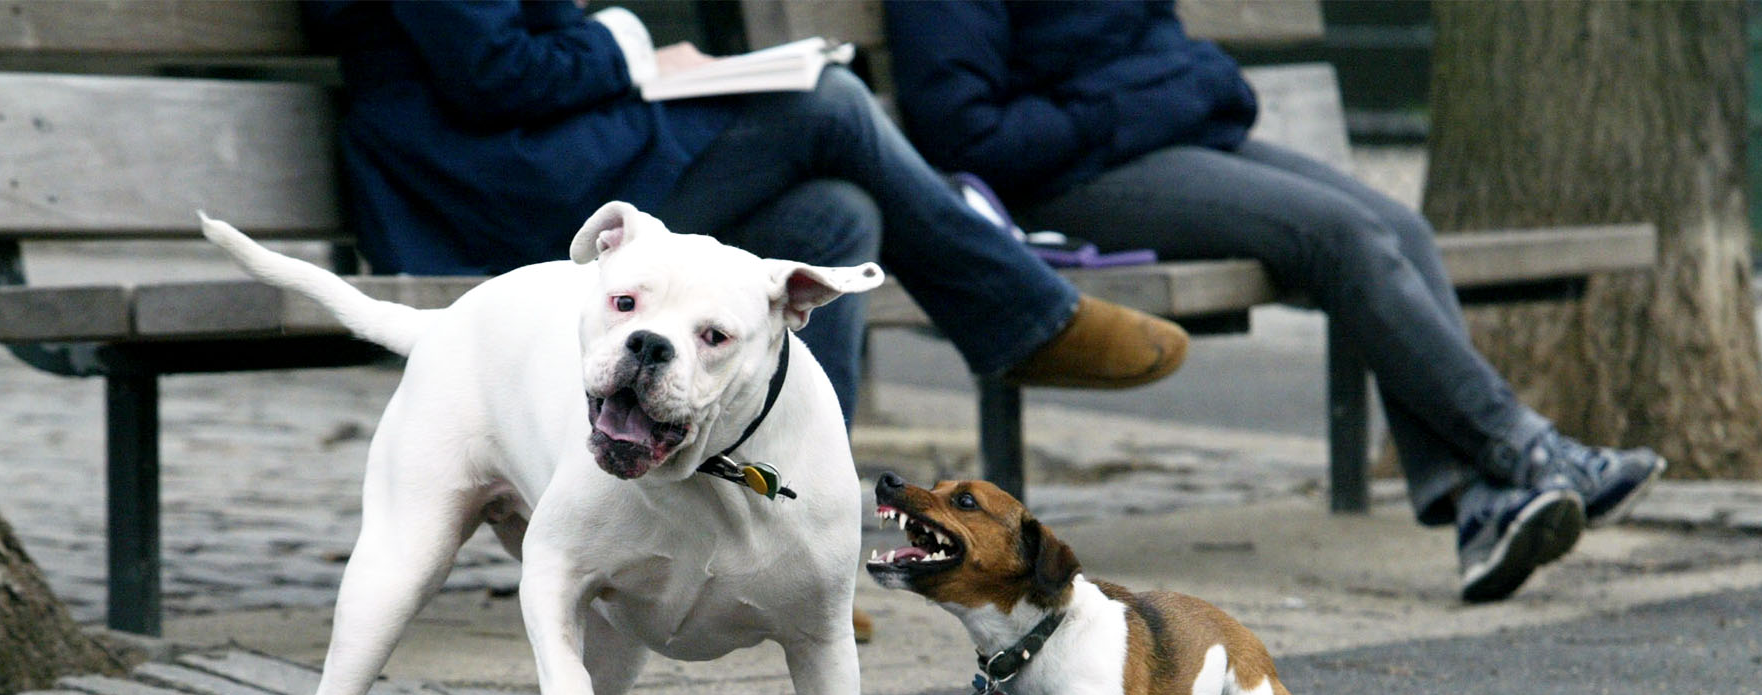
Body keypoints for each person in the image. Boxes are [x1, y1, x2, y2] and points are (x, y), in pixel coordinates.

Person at [884, 0, 1666, 603]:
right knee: (1342, 235)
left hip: (1158, 142)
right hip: (1066, 181)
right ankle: (1520, 451)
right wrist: (1152, 104)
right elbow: (965, 134)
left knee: (1400, 228)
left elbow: (1172, 62)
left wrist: (1178, 93)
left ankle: (1480, 508)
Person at [299, 0, 1191, 438]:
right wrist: (623, 39)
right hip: (488, 186)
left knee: (831, 215)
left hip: (524, 156)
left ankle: (795, 517)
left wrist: (628, 56)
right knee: (828, 104)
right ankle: (1027, 320)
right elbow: (495, 70)